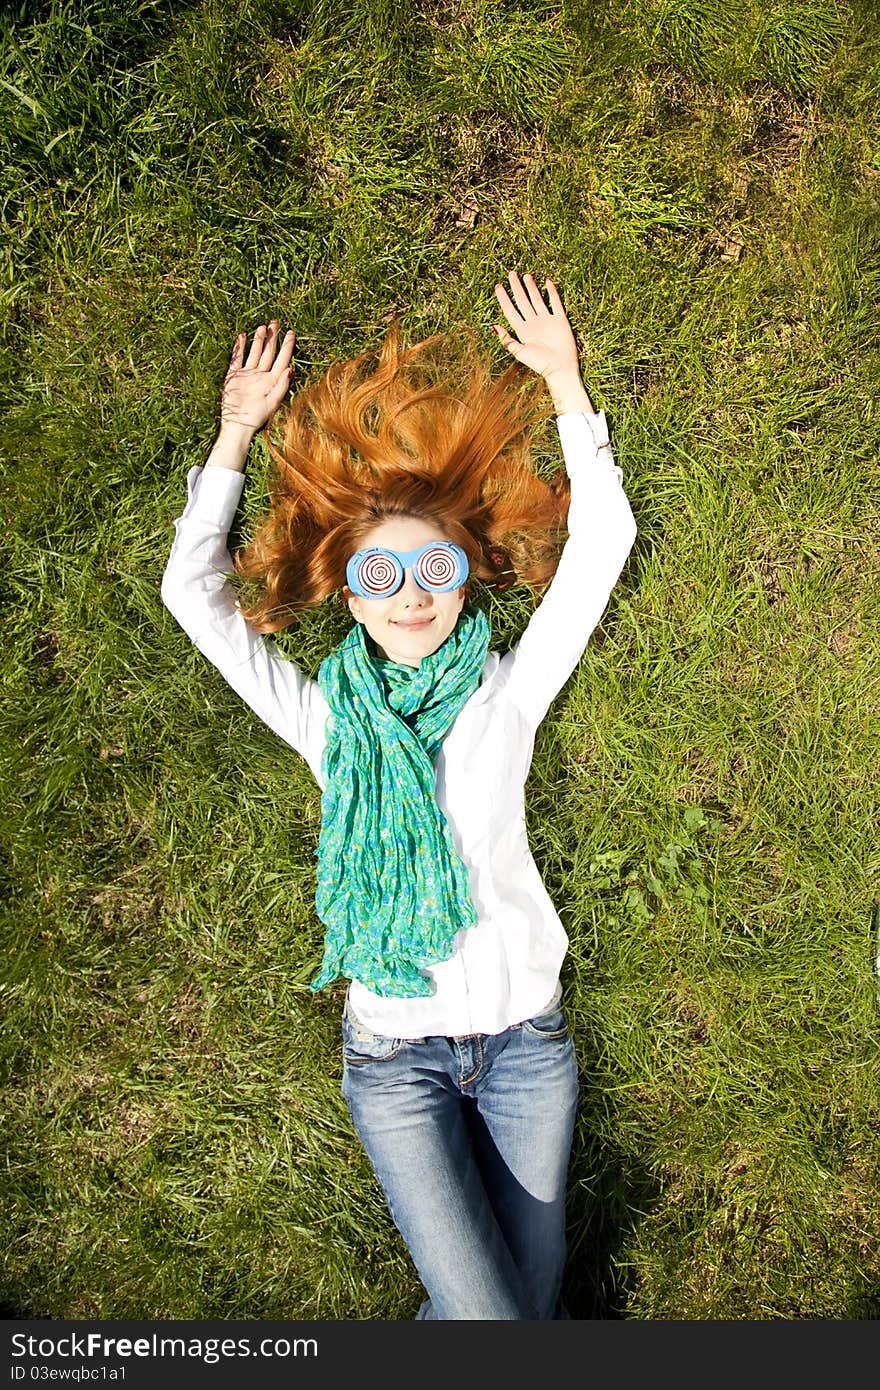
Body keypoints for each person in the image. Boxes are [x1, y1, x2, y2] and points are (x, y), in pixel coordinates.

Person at [160, 271, 638, 1319]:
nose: (412, 594)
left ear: (465, 573)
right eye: (381, 576)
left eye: (432, 568)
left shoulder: (503, 698)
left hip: (526, 1047)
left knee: (515, 1313)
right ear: (345, 589)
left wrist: (565, 384)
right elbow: (189, 594)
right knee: (503, 1321)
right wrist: (236, 433)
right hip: (394, 1062)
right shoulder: (328, 722)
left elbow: (600, 547)